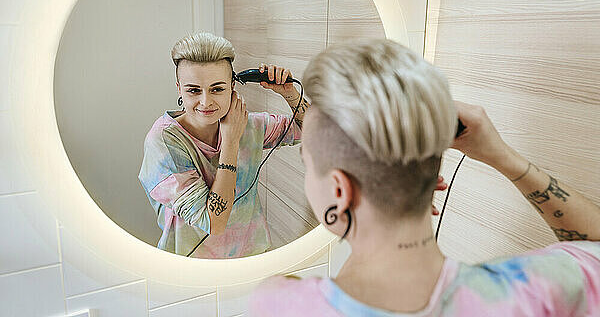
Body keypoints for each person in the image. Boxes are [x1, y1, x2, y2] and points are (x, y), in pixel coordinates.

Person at [248, 38, 600, 316]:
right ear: (430, 183)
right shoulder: (527, 293)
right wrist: (504, 158)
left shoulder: (279, 305)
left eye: (307, 162)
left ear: (339, 191)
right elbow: (592, 246)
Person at [137, 32, 309, 258]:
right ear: (179, 88)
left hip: (254, 256)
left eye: (217, 89)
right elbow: (214, 223)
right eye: (193, 90)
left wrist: (291, 94)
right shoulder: (164, 142)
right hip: (193, 270)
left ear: (232, 86)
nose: (205, 102)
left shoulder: (247, 125)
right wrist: (230, 141)